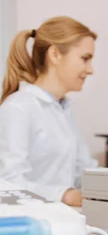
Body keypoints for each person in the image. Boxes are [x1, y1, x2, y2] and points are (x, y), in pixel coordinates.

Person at [0, 16, 98, 206]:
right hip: (32, 224)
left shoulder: (63, 109)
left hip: (65, 220)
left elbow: (83, 169)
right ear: (54, 55)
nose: (91, 69)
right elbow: (8, 182)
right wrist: (65, 195)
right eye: (85, 59)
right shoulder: (18, 108)